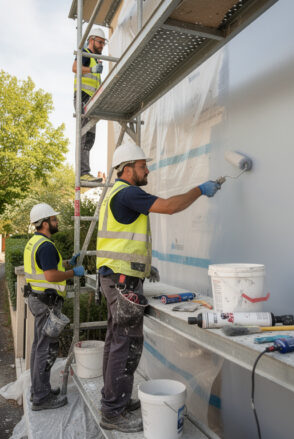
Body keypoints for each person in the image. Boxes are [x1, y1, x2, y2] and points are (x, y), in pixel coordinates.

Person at [96, 142, 222, 432]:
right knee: (125, 345)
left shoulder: (115, 193)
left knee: (117, 341)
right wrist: (200, 190)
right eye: (142, 166)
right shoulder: (129, 192)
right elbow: (169, 206)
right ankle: (113, 413)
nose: (147, 170)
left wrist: (142, 266)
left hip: (116, 277)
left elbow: (121, 239)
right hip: (122, 281)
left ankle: (113, 402)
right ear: (127, 169)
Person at [24, 203, 85, 411]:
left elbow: (47, 268)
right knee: (45, 349)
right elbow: (50, 275)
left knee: (39, 347)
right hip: (46, 303)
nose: (56, 222)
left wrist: (67, 263)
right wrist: (73, 273)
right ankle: (41, 398)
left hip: (38, 300)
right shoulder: (46, 245)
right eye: (53, 219)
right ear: (44, 223)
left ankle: (39, 391)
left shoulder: (35, 242)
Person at [72, 26, 107, 183]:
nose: (102, 46)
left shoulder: (94, 58)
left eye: (103, 43)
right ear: (91, 40)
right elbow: (74, 68)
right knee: (84, 135)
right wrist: (92, 68)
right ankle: (82, 173)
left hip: (91, 100)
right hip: (83, 97)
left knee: (90, 137)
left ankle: (85, 172)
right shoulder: (86, 53)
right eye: (100, 42)